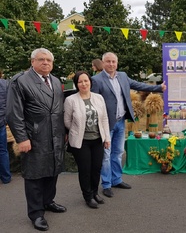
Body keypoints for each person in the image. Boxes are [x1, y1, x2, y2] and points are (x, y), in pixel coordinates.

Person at [91, 52, 167, 198]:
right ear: (103, 62)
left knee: (118, 152)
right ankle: (106, 184)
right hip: (106, 124)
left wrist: (158, 88)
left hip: (121, 122)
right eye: (108, 61)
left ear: (117, 63)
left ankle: (117, 179)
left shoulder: (123, 76)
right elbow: (94, 103)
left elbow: (138, 85)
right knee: (106, 156)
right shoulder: (96, 80)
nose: (111, 64)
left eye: (113, 61)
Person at [6, 48, 66, 231]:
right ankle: (36, 213)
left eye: (49, 60)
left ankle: (48, 201)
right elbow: (13, 113)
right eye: (41, 59)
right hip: (34, 137)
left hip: (55, 135)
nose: (46, 62)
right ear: (32, 62)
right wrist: (22, 138)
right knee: (34, 176)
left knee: (52, 171)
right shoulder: (20, 81)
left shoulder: (55, 81)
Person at [64, 71, 111, 209]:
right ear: (76, 84)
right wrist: (76, 129)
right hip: (81, 141)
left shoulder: (99, 98)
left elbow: (104, 119)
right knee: (85, 170)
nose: (83, 84)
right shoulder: (71, 100)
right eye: (80, 81)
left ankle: (95, 192)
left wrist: (107, 138)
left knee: (96, 168)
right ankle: (88, 196)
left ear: (90, 82)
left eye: (86, 81)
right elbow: (66, 121)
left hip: (97, 139)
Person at [0, 70, 11, 184]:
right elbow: (9, 103)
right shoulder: (5, 84)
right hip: (1, 122)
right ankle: (6, 177)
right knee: (2, 150)